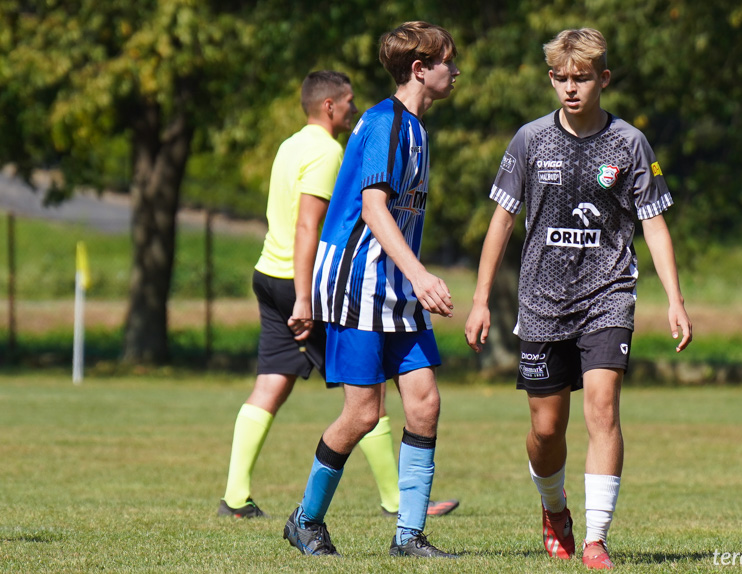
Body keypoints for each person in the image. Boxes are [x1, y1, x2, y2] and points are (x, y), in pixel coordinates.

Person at [464, 28, 692, 570]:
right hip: (541, 301)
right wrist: (478, 301)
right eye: (562, 79)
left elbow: (655, 226)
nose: (571, 88)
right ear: (551, 79)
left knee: (603, 410)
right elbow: (501, 221)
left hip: (608, 295)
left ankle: (595, 539)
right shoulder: (530, 140)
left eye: (582, 78)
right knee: (546, 430)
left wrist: (676, 299)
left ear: (603, 79)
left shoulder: (630, 144)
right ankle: (554, 510)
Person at [217, 70, 458, 521]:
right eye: (346, 101)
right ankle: (382, 500)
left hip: (269, 272)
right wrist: (304, 297)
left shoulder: (290, 146)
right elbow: (311, 226)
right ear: (329, 105)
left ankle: (235, 494)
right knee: (364, 406)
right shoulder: (330, 150)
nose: (351, 108)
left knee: (271, 385)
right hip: (316, 281)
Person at [282, 21, 460, 558]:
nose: (456, 71)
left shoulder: (417, 128)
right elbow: (373, 209)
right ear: (419, 69)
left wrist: (412, 278)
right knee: (363, 414)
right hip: (358, 281)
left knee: (424, 403)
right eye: (448, 61)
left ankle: (408, 536)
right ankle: (305, 520)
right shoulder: (385, 123)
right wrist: (423, 275)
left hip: (395, 283)